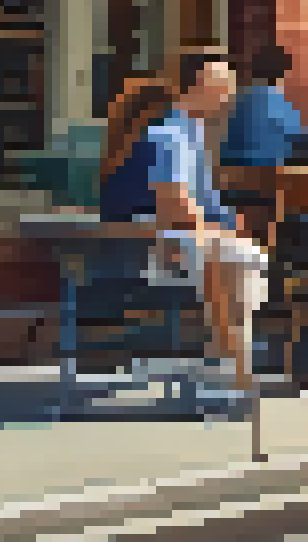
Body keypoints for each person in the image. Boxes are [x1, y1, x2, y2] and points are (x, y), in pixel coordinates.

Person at [100, 51, 267, 401]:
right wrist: (218, 228)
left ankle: (232, 358)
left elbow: (205, 201)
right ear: (198, 86)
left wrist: (227, 222)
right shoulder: (170, 133)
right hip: (140, 240)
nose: (230, 92)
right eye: (222, 83)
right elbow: (174, 204)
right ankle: (232, 362)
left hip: (172, 236)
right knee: (229, 253)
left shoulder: (194, 132)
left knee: (241, 252)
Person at [222, 43, 308, 169]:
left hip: (238, 173)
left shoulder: (239, 103)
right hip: (273, 175)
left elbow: (227, 146)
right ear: (282, 73)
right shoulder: (283, 105)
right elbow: (301, 144)